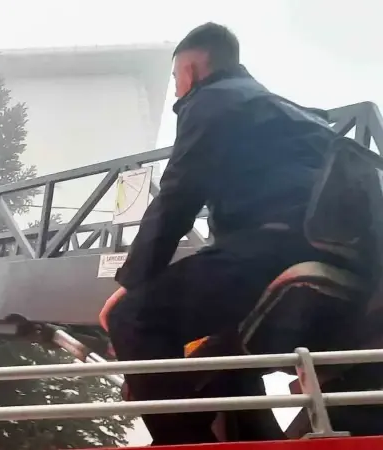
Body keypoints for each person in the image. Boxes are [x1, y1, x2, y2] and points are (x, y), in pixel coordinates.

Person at [98, 23, 348, 445]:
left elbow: (178, 196)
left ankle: (184, 442)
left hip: (273, 245)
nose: (177, 91)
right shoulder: (299, 114)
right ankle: (246, 437)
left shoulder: (212, 100)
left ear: (191, 70)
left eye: (176, 79)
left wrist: (132, 283)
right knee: (221, 351)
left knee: (133, 317)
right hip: (339, 249)